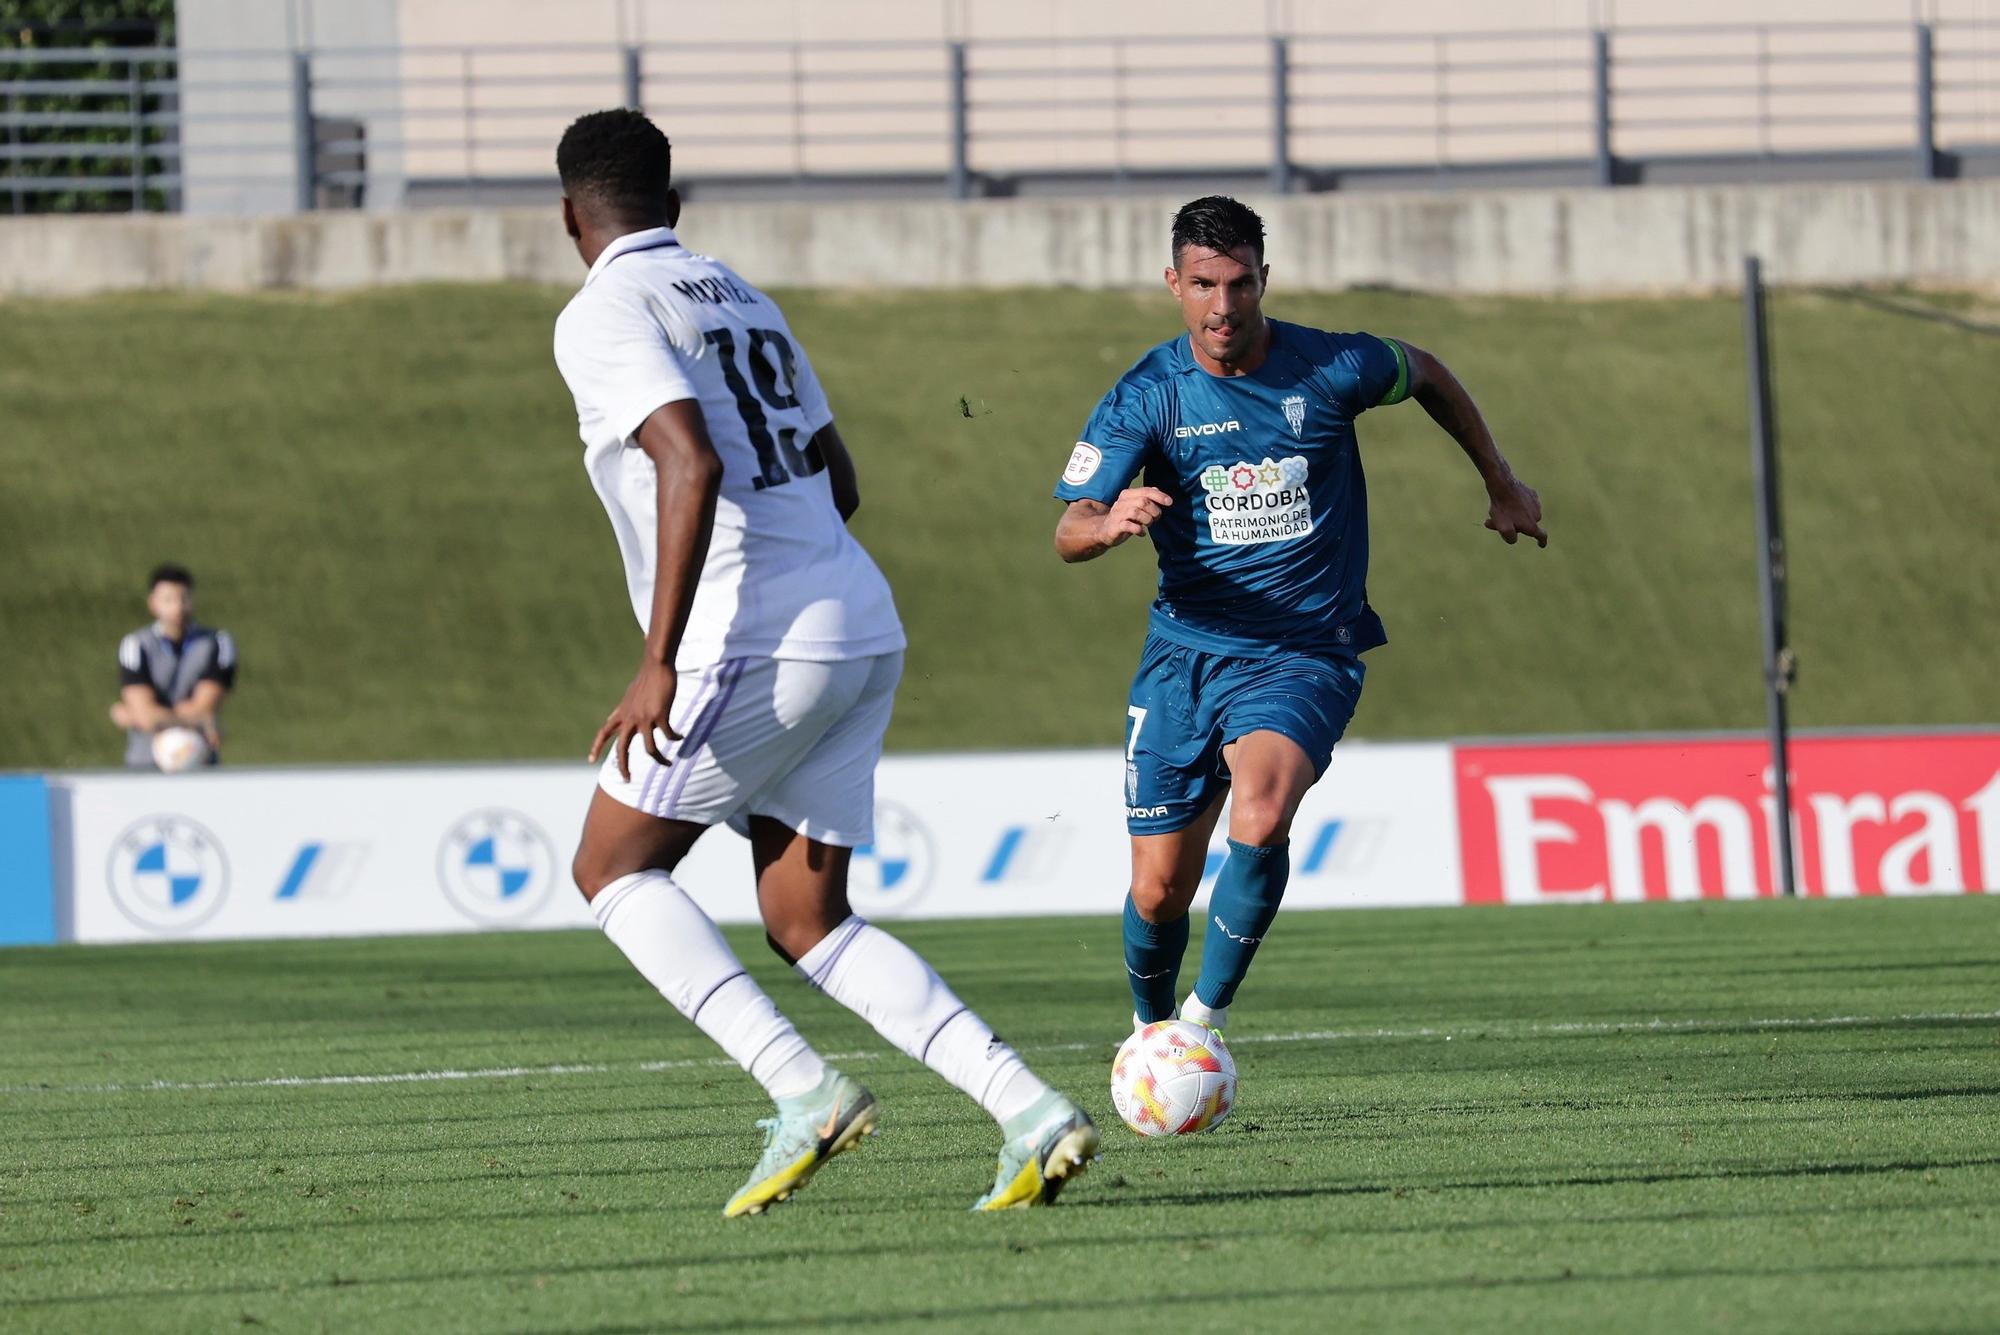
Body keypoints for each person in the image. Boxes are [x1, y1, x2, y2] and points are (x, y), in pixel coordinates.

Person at [549, 109, 1096, 1217]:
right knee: (808, 920)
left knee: (610, 869)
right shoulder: (740, 293)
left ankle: (802, 1091)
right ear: (677, 202)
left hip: (748, 636)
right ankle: (1028, 1110)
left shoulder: (600, 310)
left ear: (570, 217)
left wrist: (660, 659)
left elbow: (685, 461)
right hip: (856, 618)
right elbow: (836, 479)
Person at [1053, 196, 1547, 1040]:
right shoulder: (1145, 395)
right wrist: (1104, 525)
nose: (1223, 305)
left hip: (1304, 648)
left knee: (1264, 808)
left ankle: (1202, 1025)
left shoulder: (1330, 366)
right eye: (1204, 284)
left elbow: (1424, 369)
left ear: (1263, 280)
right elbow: (1069, 529)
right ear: (1174, 282)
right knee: (1159, 889)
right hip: (1184, 656)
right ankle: (1150, 1031)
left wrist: (1500, 480)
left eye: (1240, 283)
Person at [110, 563, 237, 768]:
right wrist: (198, 721)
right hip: (145, 767)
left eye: (184, 598)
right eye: (168, 599)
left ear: (193, 600)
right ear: (153, 603)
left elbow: (203, 708)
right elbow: (145, 713)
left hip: (199, 763)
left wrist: (135, 715)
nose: (177, 607)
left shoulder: (218, 643)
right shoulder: (135, 645)